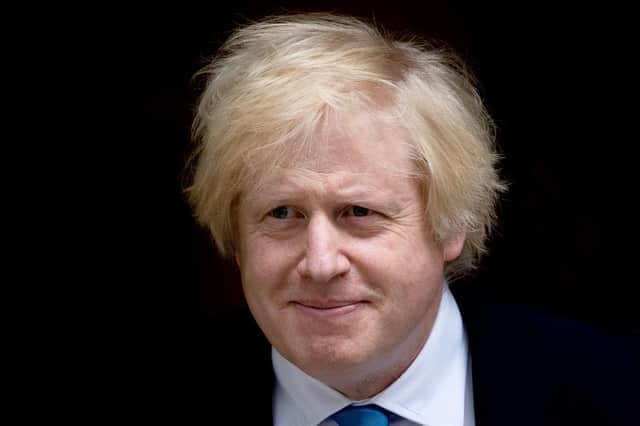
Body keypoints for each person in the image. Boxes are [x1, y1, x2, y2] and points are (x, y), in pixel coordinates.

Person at [183, 13, 637, 425]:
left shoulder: (615, 392)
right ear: (237, 235)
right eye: (282, 213)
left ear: (451, 224)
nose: (320, 264)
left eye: (360, 212)